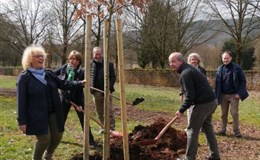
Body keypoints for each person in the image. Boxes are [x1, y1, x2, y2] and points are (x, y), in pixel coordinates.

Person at [16, 45, 85, 160]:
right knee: (44, 139)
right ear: (29, 59)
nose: (41, 58)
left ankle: (48, 155)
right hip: (36, 114)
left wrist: (80, 83)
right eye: (37, 56)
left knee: (58, 135)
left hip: (53, 111)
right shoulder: (24, 77)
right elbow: (21, 101)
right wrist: (21, 121)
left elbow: (63, 84)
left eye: (42, 56)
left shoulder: (48, 73)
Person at [169, 52, 220, 160]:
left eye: (173, 61)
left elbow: (190, 96)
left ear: (180, 61)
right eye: (170, 62)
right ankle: (215, 155)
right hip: (212, 101)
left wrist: (181, 110)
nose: (171, 64)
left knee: (192, 130)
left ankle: (189, 158)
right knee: (207, 128)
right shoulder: (189, 70)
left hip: (204, 104)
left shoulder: (186, 73)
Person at [54, 50, 97, 147]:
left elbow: (82, 84)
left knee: (84, 120)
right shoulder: (64, 68)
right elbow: (53, 75)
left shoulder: (81, 71)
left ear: (79, 61)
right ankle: (55, 138)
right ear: (69, 59)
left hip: (77, 99)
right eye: (72, 59)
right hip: (64, 98)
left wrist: (79, 105)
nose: (73, 61)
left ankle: (90, 141)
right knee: (60, 119)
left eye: (76, 59)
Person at [215, 51, 249, 138]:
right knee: (223, 114)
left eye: (227, 58)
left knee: (234, 113)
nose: (225, 60)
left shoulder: (237, 68)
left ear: (231, 58)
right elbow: (217, 84)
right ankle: (223, 130)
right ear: (222, 59)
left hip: (234, 95)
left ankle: (236, 131)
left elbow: (243, 81)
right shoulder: (219, 69)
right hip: (223, 95)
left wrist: (240, 93)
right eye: (224, 58)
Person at [90, 46, 116, 132]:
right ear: (93, 54)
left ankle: (111, 128)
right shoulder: (90, 64)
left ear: (102, 54)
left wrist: (109, 88)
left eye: (99, 54)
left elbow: (113, 77)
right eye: (96, 54)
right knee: (99, 111)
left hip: (107, 91)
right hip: (96, 92)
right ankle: (103, 127)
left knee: (109, 111)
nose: (98, 56)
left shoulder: (109, 65)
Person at [186, 53, 207, 125]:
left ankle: (199, 126)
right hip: (190, 92)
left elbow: (204, 82)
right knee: (189, 109)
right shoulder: (187, 69)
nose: (193, 61)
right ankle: (189, 125)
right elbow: (184, 82)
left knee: (199, 110)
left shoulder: (202, 70)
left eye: (195, 59)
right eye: (192, 59)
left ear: (198, 60)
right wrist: (181, 92)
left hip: (199, 93)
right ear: (189, 60)